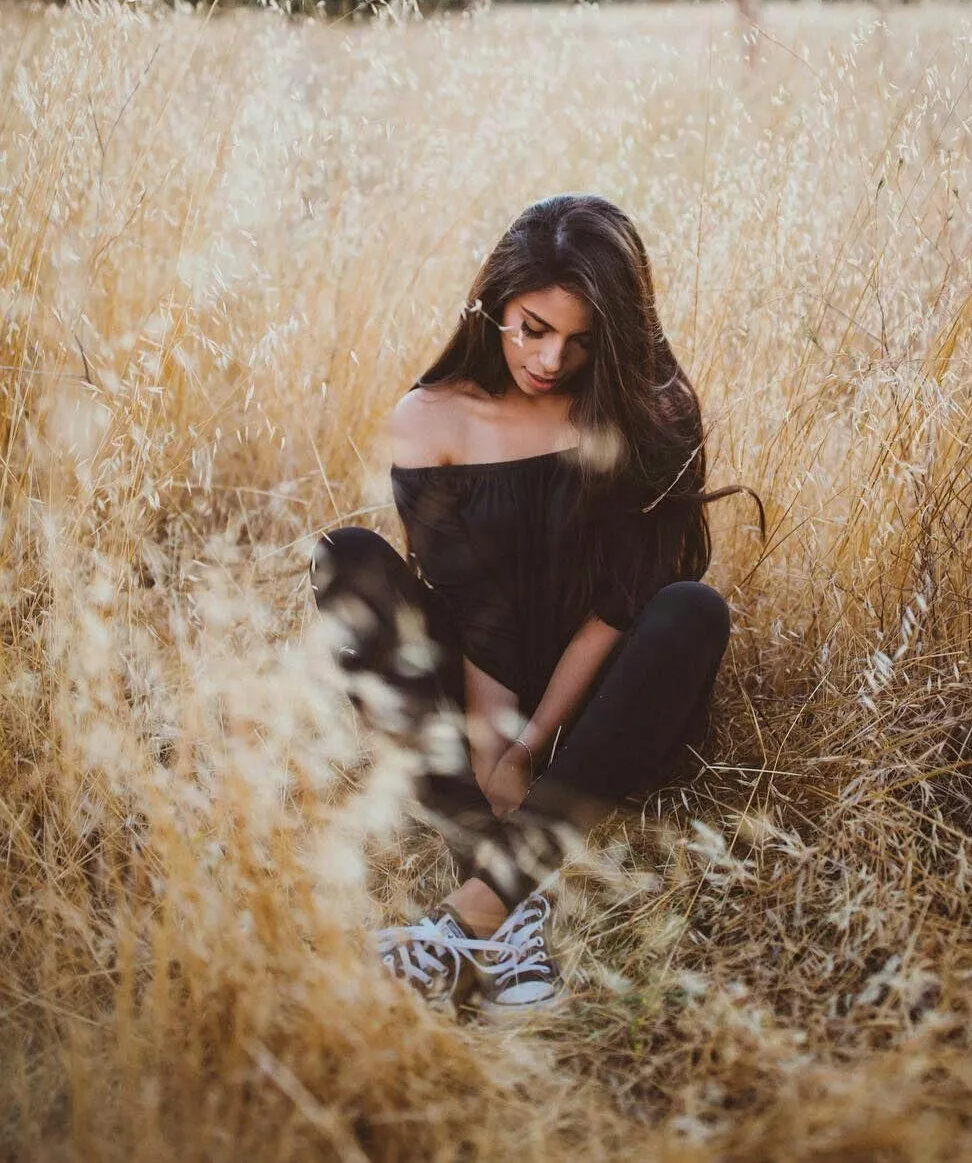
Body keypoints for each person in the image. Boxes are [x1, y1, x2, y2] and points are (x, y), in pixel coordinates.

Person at [310, 193, 752, 1018]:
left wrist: (531, 747)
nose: (551, 360)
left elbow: (622, 603)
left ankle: (471, 914)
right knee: (347, 558)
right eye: (533, 329)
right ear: (494, 306)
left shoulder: (650, 409)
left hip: (609, 706)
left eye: (581, 341)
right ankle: (501, 878)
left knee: (693, 609)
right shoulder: (431, 416)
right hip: (484, 677)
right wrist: (489, 745)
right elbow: (477, 608)